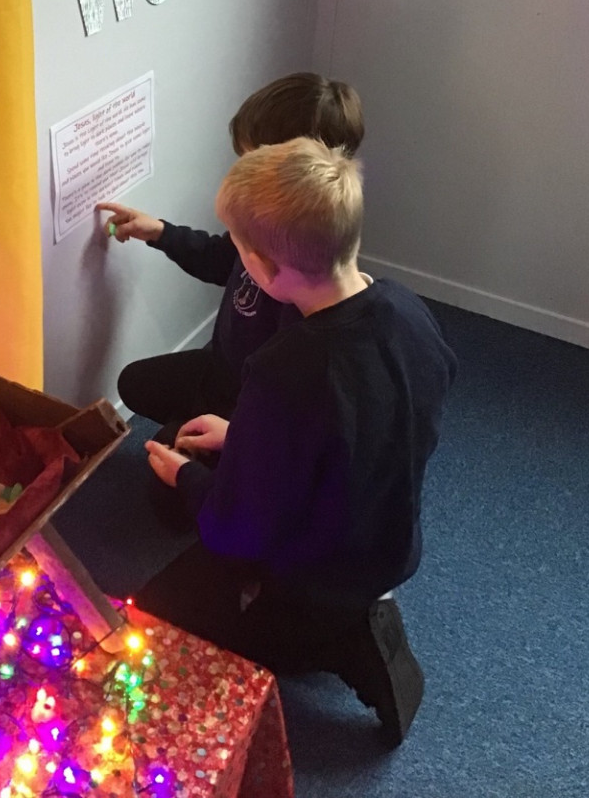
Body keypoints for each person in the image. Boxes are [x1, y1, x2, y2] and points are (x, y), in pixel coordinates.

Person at [133, 137, 457, 744]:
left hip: (315, 564)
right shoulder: (407, 310)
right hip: (391, 539)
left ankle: (326, 634)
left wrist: (187, 476)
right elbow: (367, 421)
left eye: (238, 250)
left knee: (150, 615)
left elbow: (239, 525)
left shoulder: (286, 369)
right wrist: (245, 435)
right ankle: (350, 622)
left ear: (264, 269)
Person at [97, 74, 364, 428]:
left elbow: (291, 411)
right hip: (224, 369)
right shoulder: (262, 232)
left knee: (173, 469)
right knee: (135, 383)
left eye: (252, 161)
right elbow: (221, 258)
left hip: (256, 400)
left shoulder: (306, 298)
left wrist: (237, 435)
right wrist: (160, 233)